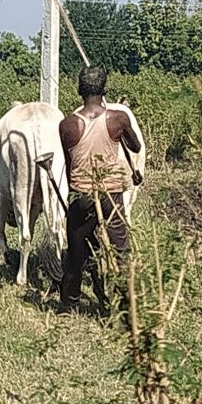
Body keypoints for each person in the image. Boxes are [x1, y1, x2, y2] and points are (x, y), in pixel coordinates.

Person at [58, 66, 143, 311]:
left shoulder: (68, 125)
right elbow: (135, 147)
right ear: (104, 90)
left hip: (81, 195)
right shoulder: (118, 119)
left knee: (75, 253)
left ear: (79, 91)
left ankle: (70, 304)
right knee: (121, 250)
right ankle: (126, 305)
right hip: (111, 196)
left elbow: (69, 162)